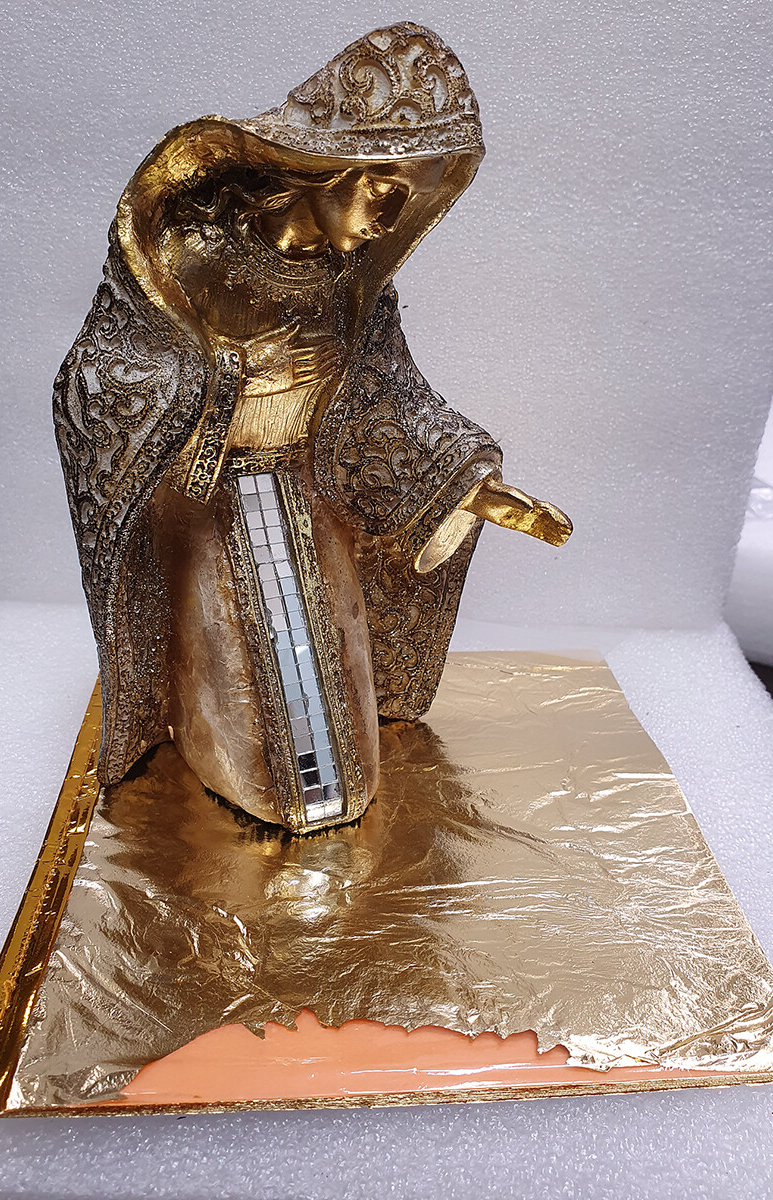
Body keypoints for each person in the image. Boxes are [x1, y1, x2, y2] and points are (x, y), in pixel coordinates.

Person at [54, 23, 571, 832]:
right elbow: (96, 373)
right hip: (211, 513)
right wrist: (214, 378)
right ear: (327, 169)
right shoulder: (187, 255)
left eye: (410, 198)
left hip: (310, 499)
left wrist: (473, 485)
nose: (389, 219)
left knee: (342, 749)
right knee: (256, 736)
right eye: (382, 189)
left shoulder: (351, 285)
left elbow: (386, 400)